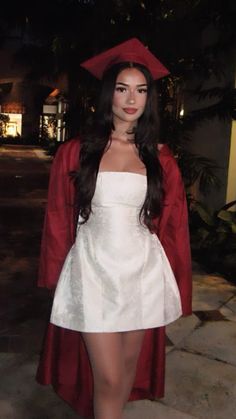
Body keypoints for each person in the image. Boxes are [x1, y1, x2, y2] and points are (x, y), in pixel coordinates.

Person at [36, 38, 192, 419]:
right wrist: (56, 275)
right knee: (105, 377)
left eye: (140, 90)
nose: (131, 99)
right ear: (109, 94)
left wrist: (179, 280)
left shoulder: (160, 159)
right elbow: (58, 215)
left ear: (149, 98)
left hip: (141, 275)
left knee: (123, 371)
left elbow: (172, 225)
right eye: (122, 88)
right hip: (93, 273)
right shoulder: (77, 152)